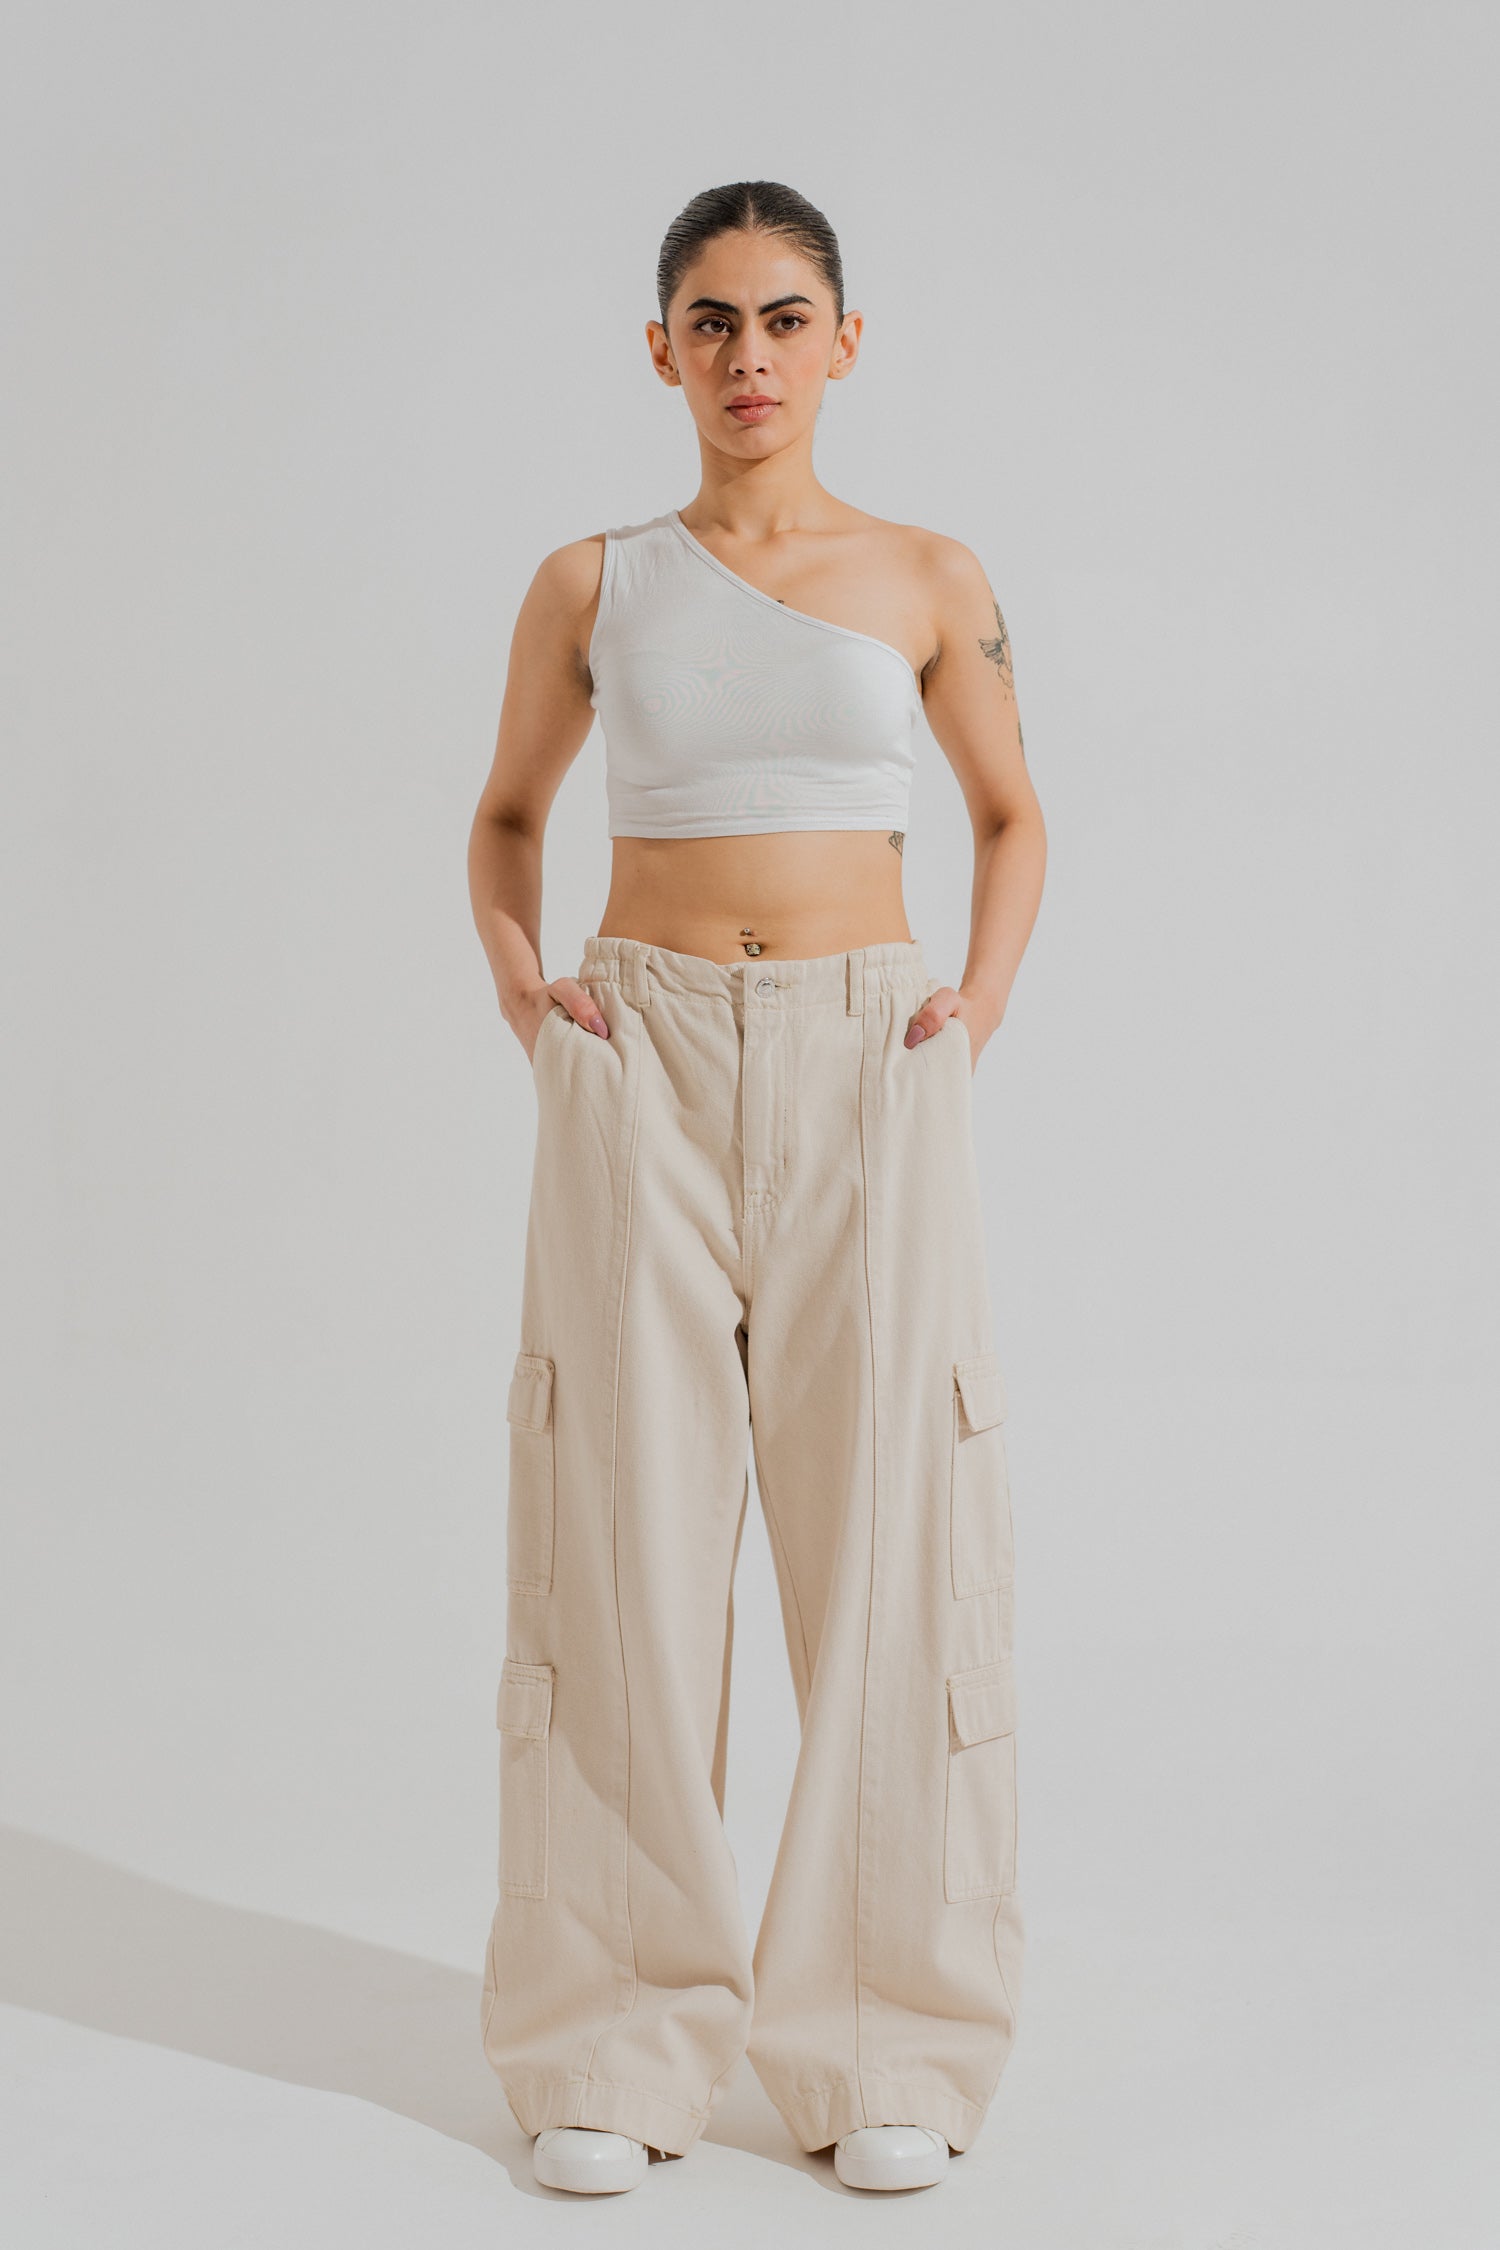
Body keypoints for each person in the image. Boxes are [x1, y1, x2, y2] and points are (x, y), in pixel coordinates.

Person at [467, 179, 1046, 2198]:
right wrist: (534, 1008)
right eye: (710, 322)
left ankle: (889, 2039)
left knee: (888, 1528)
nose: (749, 358)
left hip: (869, 1057)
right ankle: (607, 2041)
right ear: (662, 351)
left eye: (786, 318)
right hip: (635, 1054)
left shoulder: (927, 576)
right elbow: (509, 814)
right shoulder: (591, 582)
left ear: (844, 343)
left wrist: (971, 1009)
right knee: (620, 1531)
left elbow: (1011, 813)